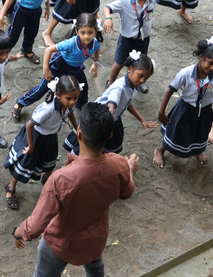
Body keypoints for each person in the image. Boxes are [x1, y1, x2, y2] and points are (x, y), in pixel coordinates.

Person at [11, 103, 138, 277]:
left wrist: (18, 232)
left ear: (78, 133)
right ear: (110, 136)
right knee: (95, 268)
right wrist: (130, 169)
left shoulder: (60, 179)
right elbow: (127, 191)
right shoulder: (119, 164)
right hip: (94, 239)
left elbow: (36, 224)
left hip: (59, 244)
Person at [4, 76, 79, 210]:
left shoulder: (67, 105)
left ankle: (49, 181)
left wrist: (76, 129)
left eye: (75, 98)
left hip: (50, 137)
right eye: (69, 98)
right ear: (58, 95)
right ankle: (11, 187)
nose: (72, 102)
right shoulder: (48, 109)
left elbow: (70, 114)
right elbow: (29, 125)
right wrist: (31, 145)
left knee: (49, 161)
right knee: (24, 163)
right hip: (36, 137)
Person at [154, 38, 213, 167]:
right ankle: (160, 149)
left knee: (200, 132)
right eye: (210, 63)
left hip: (205, 109)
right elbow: (170, 90)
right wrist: (161, 112)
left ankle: (198, 150)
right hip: (185, 109)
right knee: (176, 132)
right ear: (201, 57)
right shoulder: (186, 73)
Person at [64, 51, 158, 154]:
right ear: (130, 68)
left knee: (99, 146)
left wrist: (142, 120)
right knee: (87, 145)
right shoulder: (119, 87)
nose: (142, 80)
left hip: (110, 118)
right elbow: (111, 103)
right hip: (98, 118)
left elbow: (128, 104)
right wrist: (108, 119)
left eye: (146, 78)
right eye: (140, 76)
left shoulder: (133, 86)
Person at [13, 13, 103, 119]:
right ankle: (20, 103)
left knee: (83, 87)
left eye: (90, 32)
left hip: (76, 67)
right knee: (43, 88)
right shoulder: (70, 43)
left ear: (95, 31)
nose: (86, 36)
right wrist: (46, 69)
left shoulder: (95, 43)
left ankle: (81, 104)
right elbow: (48, 50)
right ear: (77, 31)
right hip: (59, 65)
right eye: (83, 32)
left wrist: (95, 63)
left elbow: (97, 49)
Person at [102, 0, 157, 91]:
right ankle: (111, 83)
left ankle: (140, 81)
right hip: (127, 40)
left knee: (141, 64)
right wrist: (108, 19)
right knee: (119, 63)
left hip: (143, 39)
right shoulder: (124, 1)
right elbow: (107, 8)